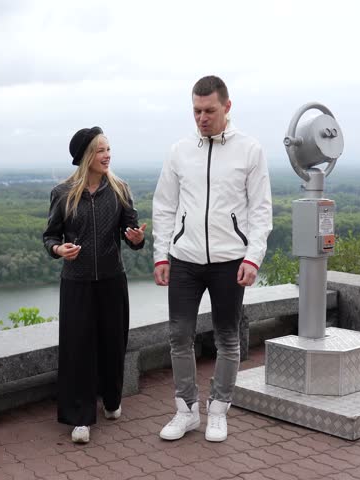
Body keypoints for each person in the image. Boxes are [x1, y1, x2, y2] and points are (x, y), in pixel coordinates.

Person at [152, 75, 272, 442]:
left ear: (227, 107)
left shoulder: (249, 150)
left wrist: (252, 258)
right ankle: (186, 410)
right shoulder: (179, 151)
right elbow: (164, 206)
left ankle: (218, 410)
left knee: (227, 339)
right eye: (196, 111)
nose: (202, 117)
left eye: (209, 110)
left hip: (229, 260)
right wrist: (162, 254)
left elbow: (261, 210)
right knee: (178, 337)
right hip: (184, 258)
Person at [43, 126, 146, 444]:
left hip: (113, 281)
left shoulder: (120, 189)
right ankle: (81, 418)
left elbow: (133, 235)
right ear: (87, 156)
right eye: (101, 150)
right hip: (76, 283)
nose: (107, 155)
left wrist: (138, 238)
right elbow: (50, 236)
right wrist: (59, 250)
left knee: (113, 343)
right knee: (78, 349)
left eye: (108, 149)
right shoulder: (62, 193)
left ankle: (112, 400)